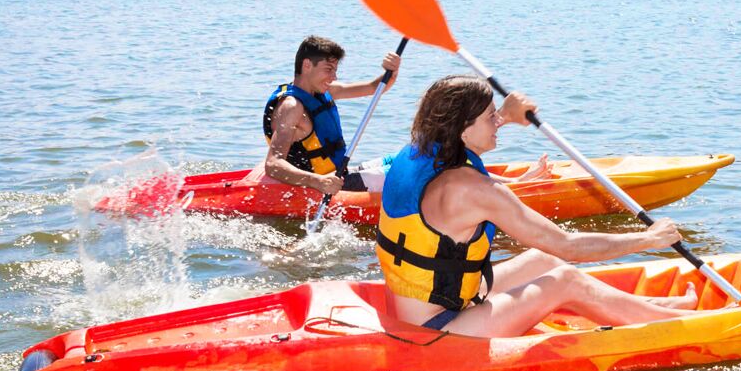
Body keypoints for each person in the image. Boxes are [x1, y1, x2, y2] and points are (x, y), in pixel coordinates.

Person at [376, 75, 698, 337]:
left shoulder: (417, 151)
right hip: (438, 328)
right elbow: (569, 246)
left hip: (422, 305)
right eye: (490, 117)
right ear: (462, 127)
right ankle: (683, 325)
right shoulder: (474, 190)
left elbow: (462, 154)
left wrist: (505, 115)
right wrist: (649, 239)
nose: (497, 123)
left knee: (543, 260)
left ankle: (655, 306)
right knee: (566, 279)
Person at [242, 36, 401, 194]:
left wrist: (391, 72)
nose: (334, 77)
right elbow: (273, 164)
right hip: (319, 186)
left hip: (337, 176)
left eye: (335, 70)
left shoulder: (325, 91)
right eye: (329, 69)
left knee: (404, 158)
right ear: (307, 65)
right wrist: (318, 181)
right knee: (407, 172)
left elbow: (373, 87)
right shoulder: (291, 107)